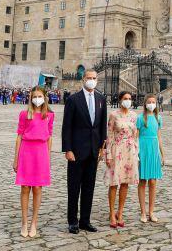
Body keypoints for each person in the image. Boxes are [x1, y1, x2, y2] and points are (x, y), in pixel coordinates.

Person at [61, 69, 107, 234]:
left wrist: (102, 148)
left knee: (89, 187)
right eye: (89, 78)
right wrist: (68, 149)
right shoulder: (74, 99)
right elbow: (67, 126)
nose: (92, 80)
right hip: (77, 151)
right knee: (74, 187)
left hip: (94, 151)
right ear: (83, 79)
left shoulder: (101, 99)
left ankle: (85, 220)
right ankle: (72, 221)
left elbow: (102, 126)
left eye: (94, 78)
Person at [13, 86, 54, 238]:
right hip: (26, 152)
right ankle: (24, 221)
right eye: (34, 96)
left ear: (44, 97)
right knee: (25, 188)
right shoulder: (25, 114)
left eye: (40, 96)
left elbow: (49, 137)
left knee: (37, 188)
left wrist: (48, 159)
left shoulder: (49, 115)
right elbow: (19, 136)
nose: (37, 99)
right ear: (31, 98)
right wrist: (15, 158)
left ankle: (34, 222)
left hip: (41, 153)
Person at [105, 91, 139, 228]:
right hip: (116, 150)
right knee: (114, 183)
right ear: (120, 100)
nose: (128, 101)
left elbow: (135, 135)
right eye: (125, 98)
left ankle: (121, 211)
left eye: (130, 99)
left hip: (129, 150)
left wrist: (136, 151)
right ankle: (112, 213)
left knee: (125, 183)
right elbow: (110, 135)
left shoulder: (134, 115)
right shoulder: (113, 115)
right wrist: (108, 154)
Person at [137, 94, 165, 223]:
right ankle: (143, 212)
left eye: (153, 102)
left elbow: (159, 137)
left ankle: (151, 211)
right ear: (145, 104)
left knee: (153, 182)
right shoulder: (141, 118)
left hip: (154, 150)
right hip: (143, 149)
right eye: (149, 102)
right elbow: (136, 138)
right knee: (142, 181)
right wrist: (136, 153)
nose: (151, 104)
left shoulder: (158, 117)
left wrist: (163, 154)